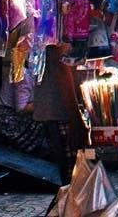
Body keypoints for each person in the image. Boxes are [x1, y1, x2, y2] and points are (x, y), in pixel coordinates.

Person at [34, 44, 85, 184]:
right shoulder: (57, 37)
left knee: (71, 175)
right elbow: (61, 70)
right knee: (72, 177)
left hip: (59, 110)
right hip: (60, 111)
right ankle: (69, 204)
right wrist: (75, 116)